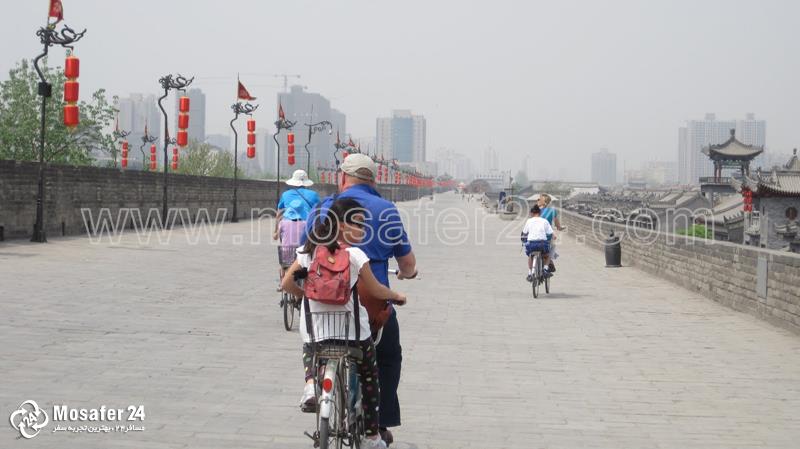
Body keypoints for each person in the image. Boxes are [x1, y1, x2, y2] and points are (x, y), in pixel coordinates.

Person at [303, 154, 417, 446]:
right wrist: (406, 275)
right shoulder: (386, 210)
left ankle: (314, 385)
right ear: (373, 180)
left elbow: (304, 253)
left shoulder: (322, 208)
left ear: (342, 177)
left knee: (316, 345)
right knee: (388, 357)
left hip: (323, 308)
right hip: (371, 307)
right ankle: (378, 425)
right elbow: (407, 264)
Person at [281, 198, 407, 449]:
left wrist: (308, 295)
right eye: (358, 224)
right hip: (353, 336)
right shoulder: (355, 255)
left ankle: (311, 385)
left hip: (317, 332)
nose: (362, 230)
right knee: (370, 378)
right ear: (340, 224)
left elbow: (286, 284)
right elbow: (376, 290)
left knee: (311, 348)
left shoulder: (308, 252)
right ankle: (371, 436)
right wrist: (396, 296)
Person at [273, 170, 321, 282]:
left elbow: (279, 213)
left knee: (286, 252)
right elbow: (319, 212)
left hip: (287, 225)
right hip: (307, 228)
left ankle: (284, 277)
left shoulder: (286, 194)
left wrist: (275, 231)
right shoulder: (313, 195)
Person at [521, 205, 554, 281]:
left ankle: (530, 273)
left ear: (532, 213)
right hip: (542, 244)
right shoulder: (544, 221)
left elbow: (524, 232)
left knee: (530, 255)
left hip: (531, 244)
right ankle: (545, 269)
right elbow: (550, 233)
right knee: (548, 255)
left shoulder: (529, 221)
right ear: (540, 213)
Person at [537, 194, 564, 272]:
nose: (538, 200)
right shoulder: (552, 211)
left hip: (535, 234)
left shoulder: (536, 210)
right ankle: (548, 264)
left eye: (539, 199)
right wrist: (560, 228)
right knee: (552, 246)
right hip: (547, 236)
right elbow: (557, 225)